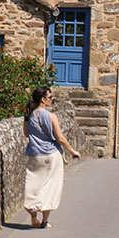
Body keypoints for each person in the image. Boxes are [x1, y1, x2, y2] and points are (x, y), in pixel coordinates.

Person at [23, 87, 81, 228]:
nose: (52, 99)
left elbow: (26, 134)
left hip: (35, 154)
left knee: (34, 184)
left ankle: (33, 210)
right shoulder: (51, 117)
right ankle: (44, 221)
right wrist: (72, 151)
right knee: (51, 187)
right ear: (43, 100)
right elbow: (60, 137)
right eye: (50, 97)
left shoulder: (28, 116)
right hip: (51, 154)